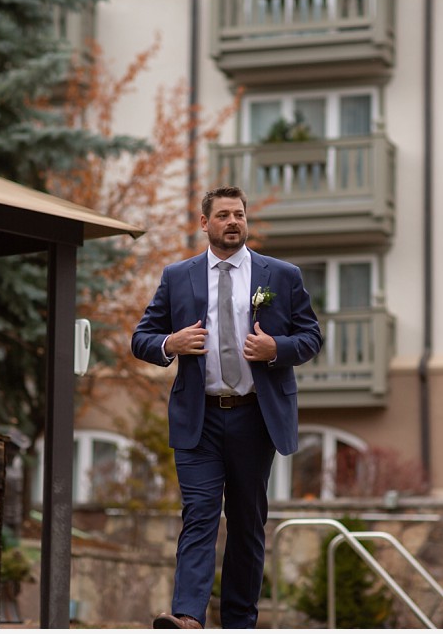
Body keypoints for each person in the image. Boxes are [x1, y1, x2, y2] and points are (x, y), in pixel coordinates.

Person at [132, 186, 322, 629]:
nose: (233, 221)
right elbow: (141, 338)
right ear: (205, 224)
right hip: (198, 417)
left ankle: (239, 622)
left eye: (239, 214)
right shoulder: (178, 276)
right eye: (223, 215)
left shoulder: (281, 275)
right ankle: (188, 618)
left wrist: (277, 347)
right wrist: (169, 343)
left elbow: (312, 336)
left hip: (255, 416)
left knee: (246, 523)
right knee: (198, 513)